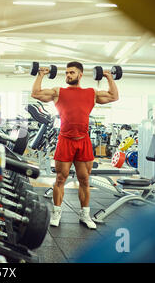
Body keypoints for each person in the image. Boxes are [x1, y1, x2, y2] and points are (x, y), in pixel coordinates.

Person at [31, 61, 119, 229]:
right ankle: (57, 213)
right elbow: (35, 93)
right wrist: (40, 75)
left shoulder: (91, 93)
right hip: (65, 141)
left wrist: (109, 77)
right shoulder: (58, 92)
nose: (68, 75)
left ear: (80, 74)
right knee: (60, 178)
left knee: (85, 180)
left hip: (83, 141)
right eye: (66, 73)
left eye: (71, 72)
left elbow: (113, 96)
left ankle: (84, 214)